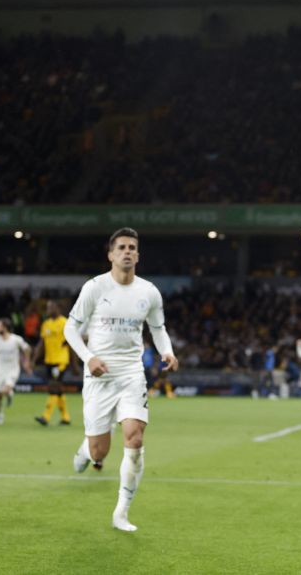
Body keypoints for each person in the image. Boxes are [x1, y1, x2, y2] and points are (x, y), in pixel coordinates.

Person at [64, 227, 178, 532]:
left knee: (135, 438)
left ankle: (121, 513)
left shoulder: (149, 292)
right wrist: (89, 358)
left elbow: (158, 328)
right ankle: (86, 451)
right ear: (111, 254)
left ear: (138, 254)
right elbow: (70, 329)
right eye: (122, 247)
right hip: (99, 376)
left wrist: (166, 351)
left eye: (132, 247)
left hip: (131, 374)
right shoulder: (95, 288)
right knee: (100, 450)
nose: (128, 251)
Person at [33, 300, 78, 426]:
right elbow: (41, 343)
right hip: (49, 360)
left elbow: (71, 344)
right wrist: (35, 359)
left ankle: (46, 417)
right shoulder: (46, 324)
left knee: (53, 385)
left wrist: (74, 365)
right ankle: (66, 417)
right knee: (58, 389)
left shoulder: (65, 323)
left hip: (61, 361)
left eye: (50, 307)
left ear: (57, 308)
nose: (47, 309)